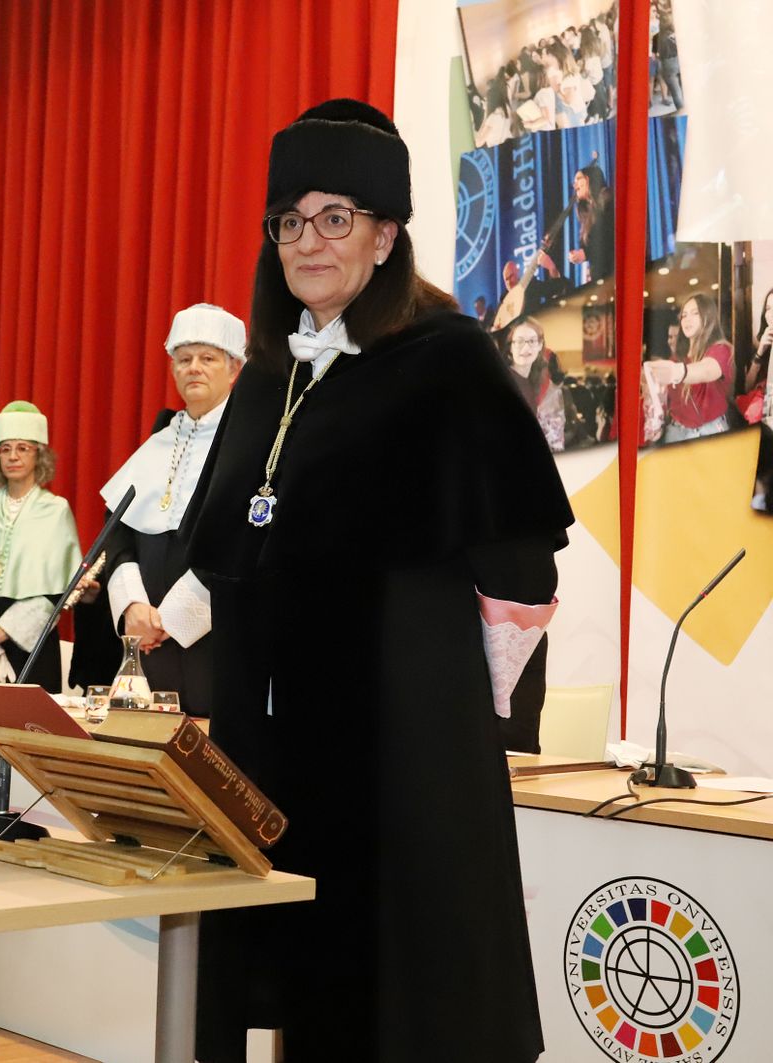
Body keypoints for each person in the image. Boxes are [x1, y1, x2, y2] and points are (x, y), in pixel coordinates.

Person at [185, 99, 572, 1061]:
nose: (308, 242)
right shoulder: (266, 376)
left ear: (386, 234)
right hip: (270, 745)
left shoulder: (448, 358)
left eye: (336, 218)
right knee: (296, 989)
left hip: (401, 742)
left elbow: (520, 565)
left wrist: (453, 716)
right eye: (289, 221)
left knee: (402, 1004)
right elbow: (229, 546)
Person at [97, 302, 246, 717]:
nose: (193, 368)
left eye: (207, 358)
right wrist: (132, 608)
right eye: (183, 359)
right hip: (149, 644)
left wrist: (172, 619)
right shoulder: (158, 441)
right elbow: (118, 535)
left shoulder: (251, 442)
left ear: (234, 369)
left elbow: (245, 540)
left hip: (214, 639)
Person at [0, 402, 83, 692]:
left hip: (33, 639)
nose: (13, 456)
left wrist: (7, 631)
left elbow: (59, 589)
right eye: (5, 449)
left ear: (39, 455)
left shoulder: (56, 510)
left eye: (23, 448)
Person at [656, 292, 735, 443]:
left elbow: (707, 370)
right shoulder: (677, 358)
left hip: (709, 431)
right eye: (684, 315)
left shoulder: (720, 350)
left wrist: (676, 372)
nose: (687, 319)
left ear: (708, 316)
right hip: (676, 431)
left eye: (695, 313)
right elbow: (667, 400)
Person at [504, 317, 567, 452]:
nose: (526, 348)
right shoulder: (504, 380)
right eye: (519, 341)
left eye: (532, 341)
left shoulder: (532, 383)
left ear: (540, 346)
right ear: (510, 347)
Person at [568, 162, 615, 284]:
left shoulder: (609, 199)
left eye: (578, 179)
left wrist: (585, 253)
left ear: (589, 179)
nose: (575, 185)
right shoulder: (588, 213)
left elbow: (610, 237)